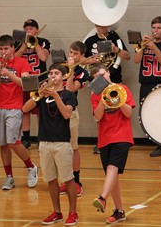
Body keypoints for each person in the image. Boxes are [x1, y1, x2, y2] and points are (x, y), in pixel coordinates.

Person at [23, 63, 79, 226]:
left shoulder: (69, 95)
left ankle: (73, 213)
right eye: (51, 73)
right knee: (51, 179)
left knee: (68, 179)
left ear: (63, 77)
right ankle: (57, 212)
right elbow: (24, 108)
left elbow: (67, 114)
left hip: (61, 143)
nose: (53, 76)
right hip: (44, 142)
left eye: (56, 73)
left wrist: (55, 95)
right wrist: (38, 95)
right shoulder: (42, 95)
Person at [0, 34, 38, 190]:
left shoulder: (22, 62)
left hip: (15, 107)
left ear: (13, 48)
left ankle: (31, 166)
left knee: (13, 141)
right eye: (1, 49)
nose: (3, 52)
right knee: (3, 144)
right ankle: (9, 177)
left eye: (6, 49)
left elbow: (26, 84)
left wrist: (8, 73)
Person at [90, 64, 135, 225]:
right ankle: (119, 211)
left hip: (122, 136)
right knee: (112, 176)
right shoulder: (95, 95)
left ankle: (102, 198)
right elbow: (97, 116)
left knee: (112, 168)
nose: (101, 79)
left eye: (103, 75)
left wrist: (115, 93)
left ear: (108, 73)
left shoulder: (122, 89)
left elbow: (128, 113)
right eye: (97, 78)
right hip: (104, 137)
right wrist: (103, 97)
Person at [84, 25, 130, 154]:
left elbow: (127, 56)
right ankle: (101, 142)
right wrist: (91, 60)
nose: (101, 29)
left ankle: (120, 141)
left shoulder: (114, 37)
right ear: (95, 26)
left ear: (108, 26)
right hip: (96, 82)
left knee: (118, 112)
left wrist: (115, 49)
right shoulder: (90, 41)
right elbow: (80, 60)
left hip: (114, 79)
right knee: (99, 114)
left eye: (104, 26)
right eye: (98, 26)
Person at [15, 19, 51, 149]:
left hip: (40, 80)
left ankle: (42, 137)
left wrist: (34, 43)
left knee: (41, 111)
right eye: (26, 29)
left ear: (37, 30)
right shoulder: (18, 42)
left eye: (31, 29)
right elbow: (14, 58)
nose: (28, 31)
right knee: (25, 110)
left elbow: (43, 58)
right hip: (24, 81)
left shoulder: (44, 42)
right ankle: (27, 139)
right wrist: (24, 45)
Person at [59, 41, 89, 197]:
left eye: (75, 53)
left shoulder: (83, 72)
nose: (71, 55)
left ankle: (76, 182)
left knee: (73, 148)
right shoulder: (60, 67)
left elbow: (70, 90)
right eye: (70, 52)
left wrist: (70, 71)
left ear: (82, 56)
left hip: (71, 112)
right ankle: (66, 180)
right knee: (61, 149)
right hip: (56, 112)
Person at [134, 16, 161, 157]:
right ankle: (159, 144)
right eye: (154, 28)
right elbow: (136, 61)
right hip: (145, 84)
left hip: (160, 84)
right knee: (148, 115)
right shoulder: (144, 44)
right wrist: (141, 46)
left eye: (159, 28)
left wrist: (154, 47)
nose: (156, 31)